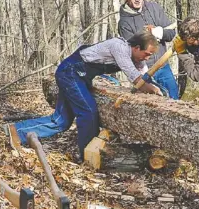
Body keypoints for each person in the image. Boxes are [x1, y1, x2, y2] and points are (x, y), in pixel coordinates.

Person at [9, 31, 162, 160]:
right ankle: (87, 156)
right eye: (147, 54)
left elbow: (144, 75)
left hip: (79, 76)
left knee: (61, 122)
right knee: (88, 112)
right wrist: (150, 88)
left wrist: (157, 88)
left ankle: (15, 131)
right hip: (71, 72)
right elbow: (135, 78)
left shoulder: (137, 58)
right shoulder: (119, 47)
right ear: (136, 47)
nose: (147, 58)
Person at [118, 0, 179, 99]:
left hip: (163, 65)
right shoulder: (124, 22)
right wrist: (148, 36)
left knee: (174, 99)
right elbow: (133, 51)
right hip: (144, 71)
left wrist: (157, 32)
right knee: (153, 104)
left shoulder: (154, 8)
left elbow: (171, 34)